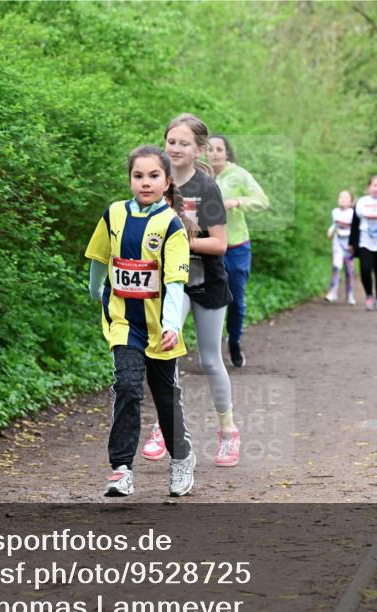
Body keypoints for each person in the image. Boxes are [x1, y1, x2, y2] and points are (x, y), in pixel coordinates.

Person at [84, 145, 195, 497]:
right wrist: (94, 287)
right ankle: (121, 469)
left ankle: (181, 458)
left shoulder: (172, 225)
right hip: (123, 322)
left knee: (165, 398)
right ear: (130, 178)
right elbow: (99, 256)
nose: (145, 183)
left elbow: (175, 282)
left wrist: (172, 324)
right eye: (138, 176)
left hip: (160, 327)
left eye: (153, 176)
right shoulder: (114, 214)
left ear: (166, 182)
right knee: (128, 389)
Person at [141, 113, 242, 468]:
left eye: (184, 143)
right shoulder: (157, 182)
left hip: (208, 281)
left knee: (210, 360)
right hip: (173, 282)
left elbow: (220, 244)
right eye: (171, 141)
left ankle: (228, 432)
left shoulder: (207, 188)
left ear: (199, 149)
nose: (176, 148)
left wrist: (183, 240)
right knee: (165, 351)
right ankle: (162, 428)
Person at [208, 133, 270, 366]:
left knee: (235, 299)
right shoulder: (199, 174)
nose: (214, 153)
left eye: (219, 149)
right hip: (208, 247)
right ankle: (211, 349)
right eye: (210, 149)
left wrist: (237, 202)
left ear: (226, 153)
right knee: (207, 299)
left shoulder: (238, 174)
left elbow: (262, 200)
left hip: (236, 246)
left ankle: (234, 341)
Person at [348, 175, 377, 311]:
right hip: (365, 242)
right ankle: (369, 295)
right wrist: (352, 243)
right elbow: (355, 224)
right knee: (365, 269)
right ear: (369, 187)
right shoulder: (361, 203)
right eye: (374, 185)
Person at [325, 190, 357, 305]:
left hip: (349, 245)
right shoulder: (335, 212)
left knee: (349, 270)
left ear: (351, 202)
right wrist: (330, 231)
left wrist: (353, 244)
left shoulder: (353, 214)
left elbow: (355, 230)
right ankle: (333, 292)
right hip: (337, 242)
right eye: (340, 197)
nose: (342, 199)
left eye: (346, 198)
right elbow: (335, 224)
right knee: (336, 266)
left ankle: (350, 294)